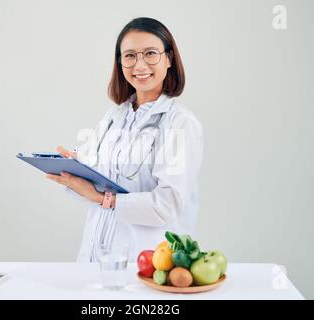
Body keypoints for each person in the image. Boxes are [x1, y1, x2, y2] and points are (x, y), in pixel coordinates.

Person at [46, 17, 204, 262]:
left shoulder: (180, 123)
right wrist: (73, 171)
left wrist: (103, 199)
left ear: (169, 59)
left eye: (150, 53)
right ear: (120, 62)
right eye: (129, 56)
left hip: (147, 264)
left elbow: (167, 205)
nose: (139, 65)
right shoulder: (114, 116)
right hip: (94, 259)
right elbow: (94, 185)